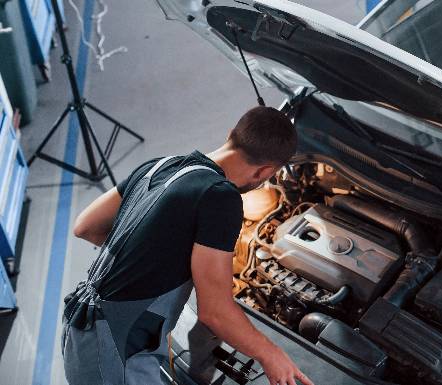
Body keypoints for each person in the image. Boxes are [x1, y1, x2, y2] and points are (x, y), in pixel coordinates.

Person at [62, 106, 314, 385]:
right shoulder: (220, 197)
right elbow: (215, 311)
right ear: (265, 171)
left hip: (83, 329)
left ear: (231, 134)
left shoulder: (162, 165)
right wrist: (272, 354)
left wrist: (154, 254)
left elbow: (85, 225)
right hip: (116, 353)